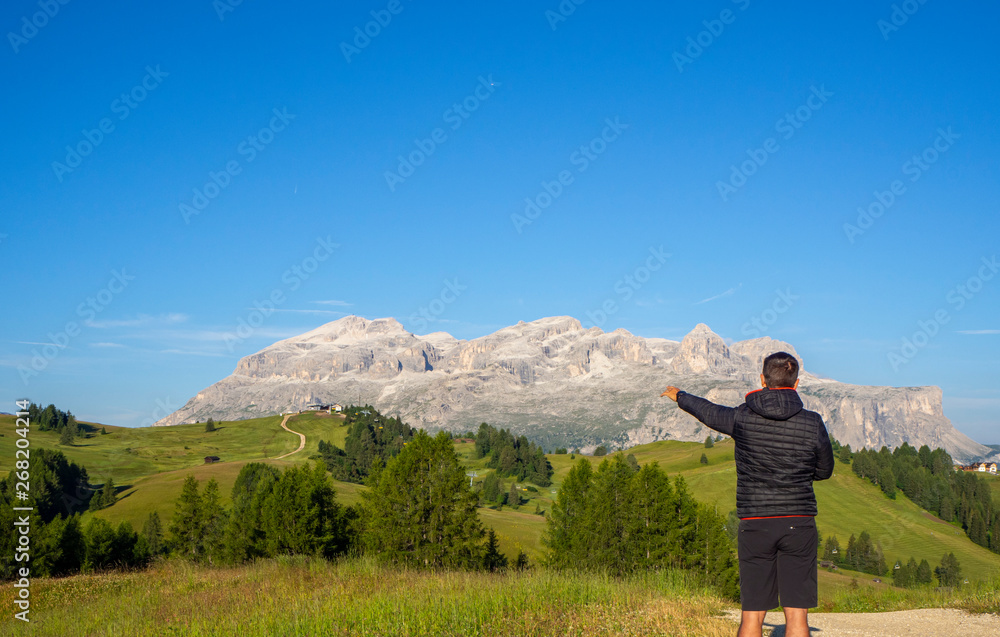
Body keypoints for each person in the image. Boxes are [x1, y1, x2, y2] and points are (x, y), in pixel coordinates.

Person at [660, 351, 834, 637]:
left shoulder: (742, 417)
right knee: (798, 620)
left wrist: (680, 396)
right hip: (799, 522)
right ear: (797, 382)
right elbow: (824, 470)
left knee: (751, 617)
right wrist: (800, 476)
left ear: (762, 380)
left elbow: (709, 412)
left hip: (755, 522)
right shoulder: (812, 422)